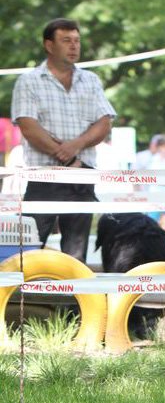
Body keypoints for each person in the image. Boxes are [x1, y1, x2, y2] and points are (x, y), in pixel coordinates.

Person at [10, 18, 115, 261]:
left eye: (77, 41)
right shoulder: (29, 81)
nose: (74, 46)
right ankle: (16, 298)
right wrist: (68, 156)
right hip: (43, 176)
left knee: (76, 256)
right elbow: (29, 127)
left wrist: (74, 146)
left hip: (82, 176)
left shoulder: (91, 80)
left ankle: (72, 299)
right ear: (49, 45)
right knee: (27, 252)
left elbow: (104, 123)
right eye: (66, 40)